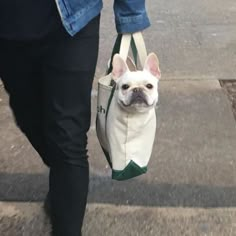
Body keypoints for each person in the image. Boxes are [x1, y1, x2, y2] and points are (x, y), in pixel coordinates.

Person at [0, 0, 150, 235]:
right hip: (9, 28)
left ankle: (66, 203)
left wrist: (131, 16)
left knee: (68, 139)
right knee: (27, 115)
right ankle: (64, 184)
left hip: (73, 20)